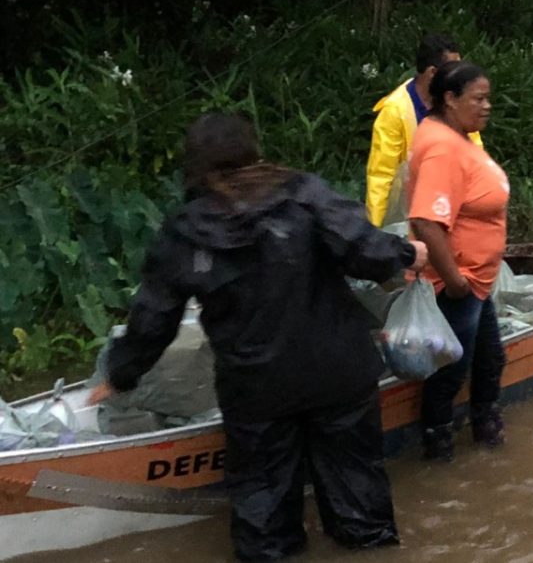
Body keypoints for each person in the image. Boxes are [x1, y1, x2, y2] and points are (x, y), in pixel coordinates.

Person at [90, 114, 429, 561]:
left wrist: (120, 374)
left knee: (264, 518)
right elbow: (365, 250)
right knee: (359, 502)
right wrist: (408, 252)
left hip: (257, 387)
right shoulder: (304, 193)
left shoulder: (185, 231)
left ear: (194, 164)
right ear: (253, 149)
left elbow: (154, 317)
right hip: (337, 372)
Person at [408, 61, 511, 462]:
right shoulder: (442, 146)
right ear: (450, 99)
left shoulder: (455, 136)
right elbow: (426, 220)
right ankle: (438, 445)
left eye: (489, 99)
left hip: (476, 281)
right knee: (452, 369)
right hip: (459, 282)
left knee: (490, 359)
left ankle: (485, 431)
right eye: (479, 99)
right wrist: (453, 280)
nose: (487, 107)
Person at [366, 33, 483, 227]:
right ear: (432, 73)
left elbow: (476, 156)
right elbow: (381, 176)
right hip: (405, 216)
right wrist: (374, 232)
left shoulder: (457, 102)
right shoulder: (396, 111)